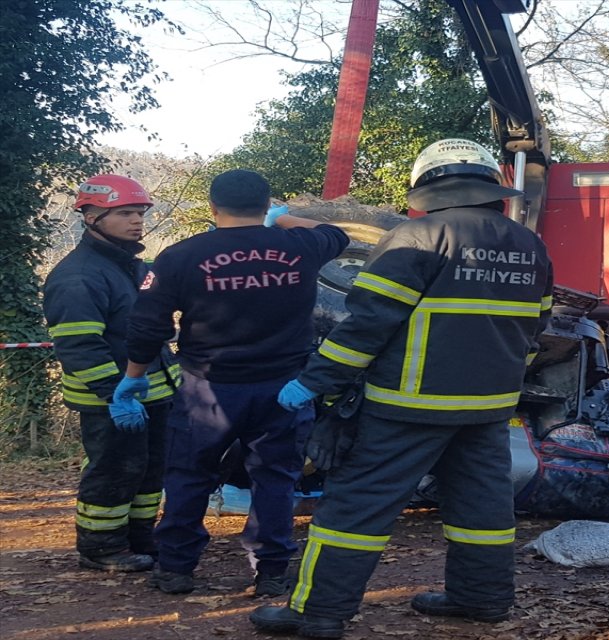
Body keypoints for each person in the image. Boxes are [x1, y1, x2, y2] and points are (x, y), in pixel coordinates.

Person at [249, 138, 554, 639]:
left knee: (354, 507)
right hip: (488, 407)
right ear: (488, 187)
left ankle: (318, 613)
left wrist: (314, 382)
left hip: (406, 404)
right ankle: (482, 599)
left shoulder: (420, 235)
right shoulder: (529, 245)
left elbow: (368, 323)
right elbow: (533, 330)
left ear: (430, 187)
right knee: (483, 508)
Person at [116, 169, 350, 597]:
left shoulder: (181, 256)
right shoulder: (301, 246)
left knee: (188, 476)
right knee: (276, 479)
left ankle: (176, 569)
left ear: (212, 207)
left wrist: (132, 379)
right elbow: (335, 232)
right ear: (265, 205)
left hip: (208, 390)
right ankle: (271, 572)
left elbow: (147, 327)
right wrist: (281, 219)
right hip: (284, 389)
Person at [42, 175, 181, 573]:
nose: (136, 221)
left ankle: (139, 539)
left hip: (152, 393)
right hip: (110, 400)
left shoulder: (129, 266)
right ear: (91, 216)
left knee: (149, 470)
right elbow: (79, 345)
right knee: (114, 471)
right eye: (124, 213)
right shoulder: (78, 276)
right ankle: (100, 546)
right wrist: (115, 394)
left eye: (139, 212)